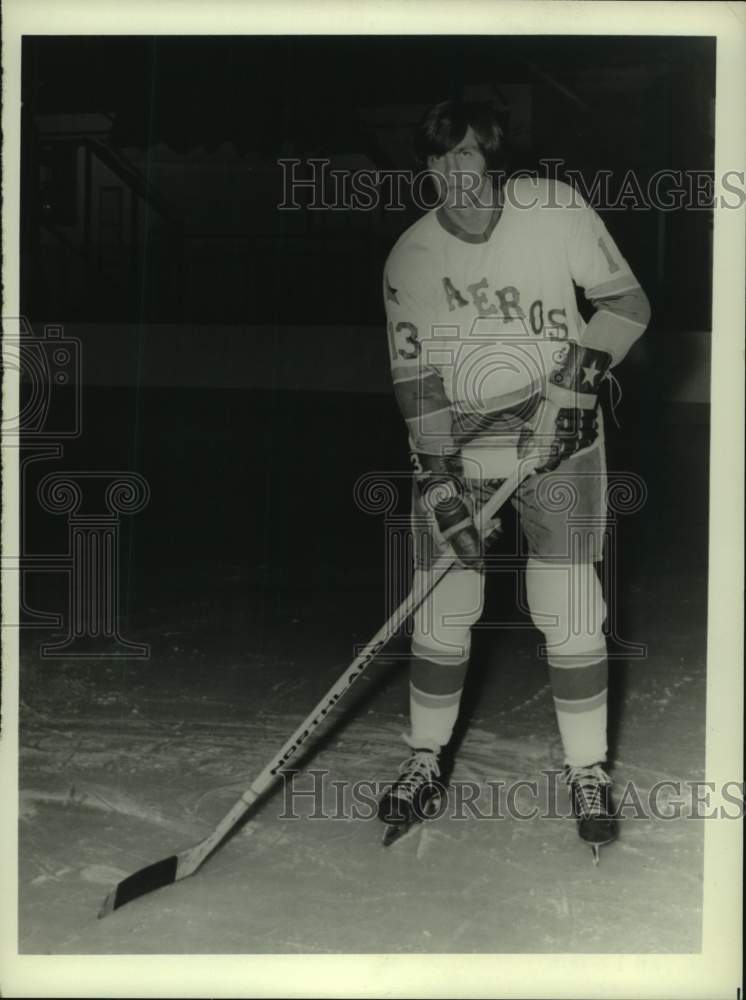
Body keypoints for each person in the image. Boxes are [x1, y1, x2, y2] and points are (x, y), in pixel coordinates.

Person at [378, 99, 650, 859]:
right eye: (437, 160)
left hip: (564, 446)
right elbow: (418, 386)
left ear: (492, 157)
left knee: (566, 604)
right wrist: (439, 487)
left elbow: (627, 305)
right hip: (461, 451)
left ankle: (587, 769)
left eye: (465, 155)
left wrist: (570, 392)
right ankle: (425, 758)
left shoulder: (554, 210)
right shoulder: (410, 258)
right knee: (443, 608)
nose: (450, 174)